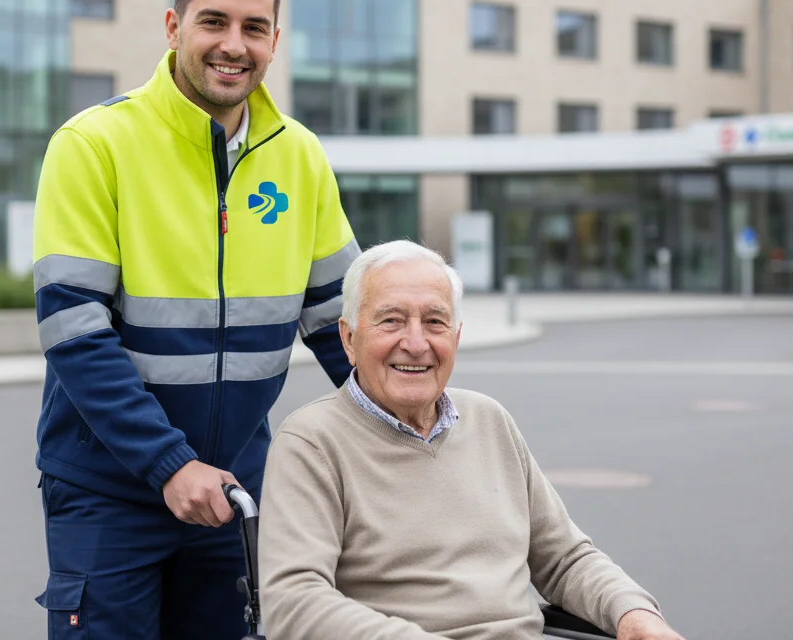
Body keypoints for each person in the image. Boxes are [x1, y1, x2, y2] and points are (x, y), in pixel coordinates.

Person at [30, 0, 358, 640]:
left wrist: (413, 428)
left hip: (232, 492)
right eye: (213, 22)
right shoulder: (94, 145)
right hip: (109, 490)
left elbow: (342, 322)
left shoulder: (299, 155)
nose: (232, 45)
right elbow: (74, 329)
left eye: (254, 28)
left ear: (275, 40)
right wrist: (169, 464)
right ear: (174, 27)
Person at [257, 240, 687, 640]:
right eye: (391, 320)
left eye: (434, 322)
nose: (416, 343)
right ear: (349, 338)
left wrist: (635, 615)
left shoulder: (489, 420)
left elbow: (564, 559)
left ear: (456, 337)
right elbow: (294, 604)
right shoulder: (311, 443)